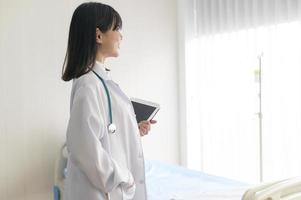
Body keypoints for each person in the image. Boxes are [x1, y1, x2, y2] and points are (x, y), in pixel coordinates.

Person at [61, 2, 156, 200]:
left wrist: (133, 129)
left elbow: (106, 131)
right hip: (100, 192)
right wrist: (122, 178)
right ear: (98, 36)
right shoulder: (89, 84)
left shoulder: (100, 82)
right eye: (117, 29)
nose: (121, 36)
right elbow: (83, 147)